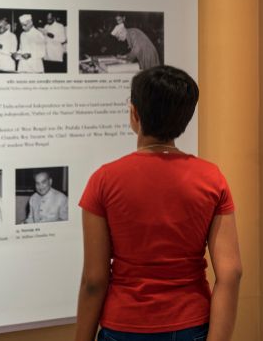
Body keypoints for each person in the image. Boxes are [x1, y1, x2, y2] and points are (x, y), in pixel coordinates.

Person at [77, 65, 241, 341]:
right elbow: (231, 273)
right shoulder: (212, 178)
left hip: (124, 324)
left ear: (134, 113)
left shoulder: (103, 180)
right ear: (184, 119)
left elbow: (94, 281)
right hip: (191, 323)